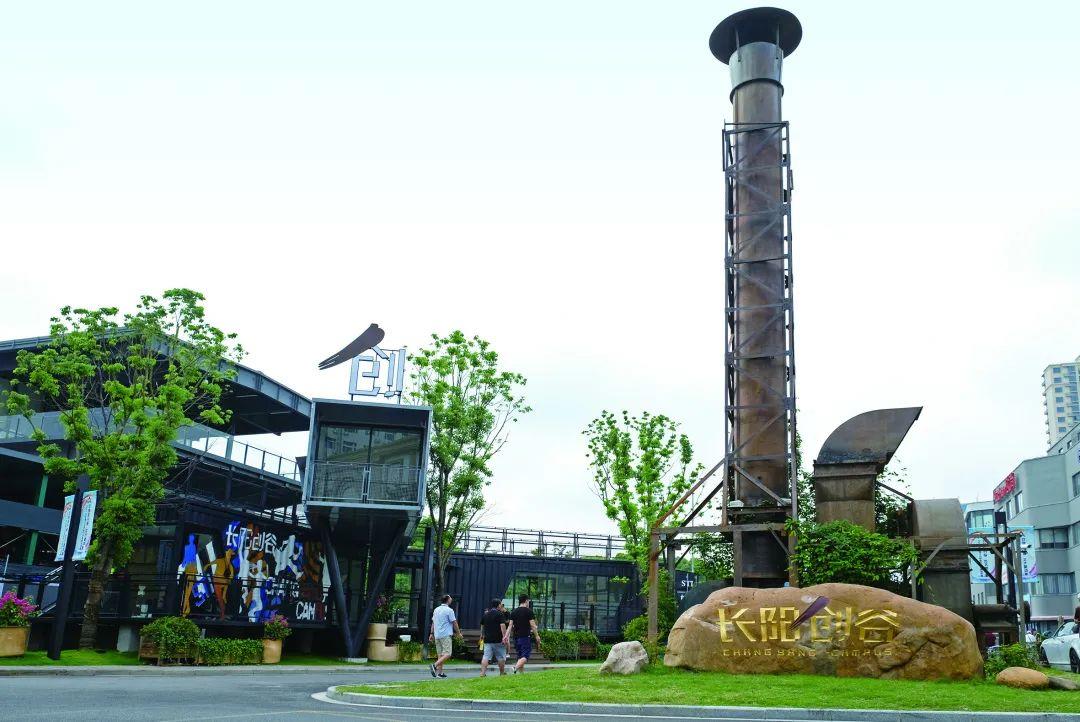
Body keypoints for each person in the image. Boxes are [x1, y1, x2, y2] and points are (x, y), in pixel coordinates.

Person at [504, 593, 542, 674]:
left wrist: (506, 636)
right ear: (526, 601)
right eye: (528, 601)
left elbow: (510, 626)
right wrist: (537, 636)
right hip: (525, 636)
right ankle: (515, 667)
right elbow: (533, 625)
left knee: (520, 656)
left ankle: (521, 674)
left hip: (516, 637)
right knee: (525, 656)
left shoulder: (514, 611)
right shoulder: (529, 611)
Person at [429, 594, 462, 678]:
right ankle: (434, 665)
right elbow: (454, 622)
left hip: (437, 634)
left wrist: (431, 633)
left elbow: (433, 622)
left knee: (440, 655)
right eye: (450, 598)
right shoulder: (449, 610)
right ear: (448, 600)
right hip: (446, 634)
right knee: (448, 653)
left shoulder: (436, 609)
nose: (451, 599)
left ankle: (440, 673)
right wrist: (458, 633)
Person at [479, 598, 508, 677]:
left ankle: (482, 673)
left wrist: (482, 635)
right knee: (501, 657)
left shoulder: (486, 614)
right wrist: (505, 637)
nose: (501, 606)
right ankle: (502, 673)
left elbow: (482, 626)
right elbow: (502, 626)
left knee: (486, 656)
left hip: (487, 639)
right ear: (498, 605)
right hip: (498, 639)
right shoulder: (500, 614)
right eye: (500, 604)